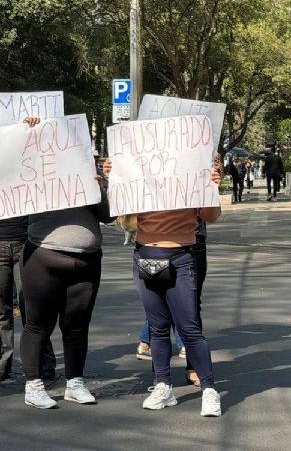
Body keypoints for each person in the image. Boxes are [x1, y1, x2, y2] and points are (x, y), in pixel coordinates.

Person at [104, 156, 223, 417]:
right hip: (145, 256)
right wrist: (115, 176)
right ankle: (162, 386)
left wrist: (212, 186)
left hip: (181, 257)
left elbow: (212, 217)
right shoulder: (140, 174)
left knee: (190, 328)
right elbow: (122, 217)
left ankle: (209, 389)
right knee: (157, 328)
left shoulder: (192, 173)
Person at [19, 118, 112, 409]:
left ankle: (75, 383)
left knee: (76, 327)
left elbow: (108, 215)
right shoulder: (35, 171)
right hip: (43, 258)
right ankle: (33, 386)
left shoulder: (89, 173)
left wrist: (100, 184)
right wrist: (27, 132)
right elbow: (11, 172)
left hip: (86, 264)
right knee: (37, 325)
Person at [0, 215, 55, 383]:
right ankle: (1, 364)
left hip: (26, 243)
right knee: (1, 310)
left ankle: (43, 361)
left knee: (32, 309)